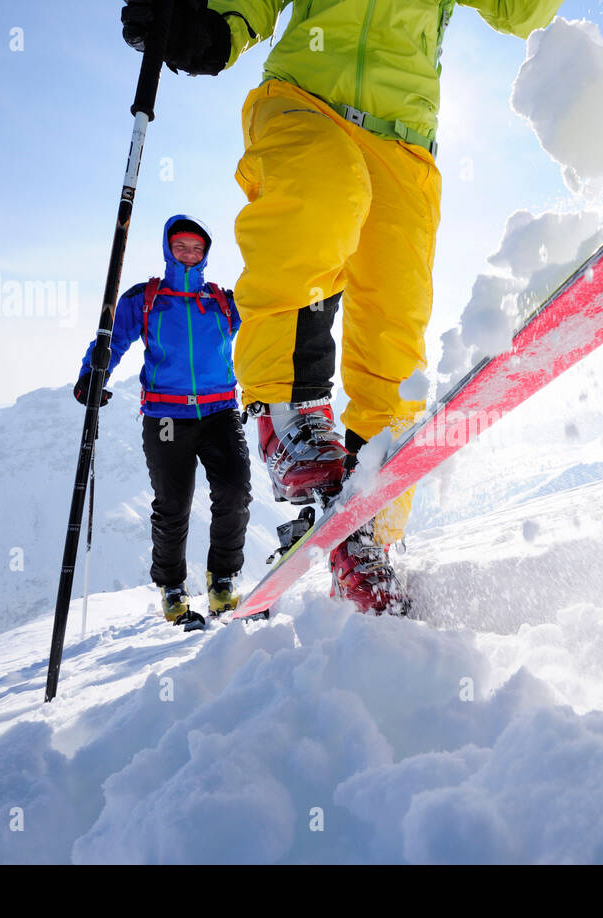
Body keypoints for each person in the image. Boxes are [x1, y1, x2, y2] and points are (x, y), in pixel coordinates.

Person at [121, 0, 564, 614]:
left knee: (395, 332)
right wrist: (215, 26)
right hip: (306, 100)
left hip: (404, 142)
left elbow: (519, 11)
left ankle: (366, 531)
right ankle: (287, 411)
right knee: (323, 198)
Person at [74, 214, 252, 623]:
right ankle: (173, 587)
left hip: (220, 411)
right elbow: (113, 340)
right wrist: (92, 372)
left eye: (196, 248)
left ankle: (223, 580)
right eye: (181, 247)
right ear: (168, 250)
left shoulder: (222, 301)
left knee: (234, 491)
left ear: (205, 253)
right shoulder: (146, 298)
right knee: (173, 505)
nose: (189, 254)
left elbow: (263, 321)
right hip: (167, 416)